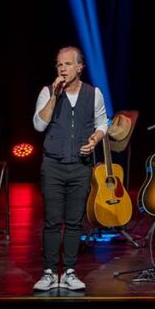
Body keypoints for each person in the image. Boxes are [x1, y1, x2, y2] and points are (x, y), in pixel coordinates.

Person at [31, 46, 108, 292]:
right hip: (53, 165)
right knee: (52, 221)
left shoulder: (94, 94)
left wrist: (95, 140)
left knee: (75, 222)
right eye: (59, 64)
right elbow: (39, 125)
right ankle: (49, 272)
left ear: (79, 67)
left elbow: (102, 123)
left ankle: (70, 272)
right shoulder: (47, 91)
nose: (62, 69)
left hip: (80, 167)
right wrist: (55, 96)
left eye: (67, 64)